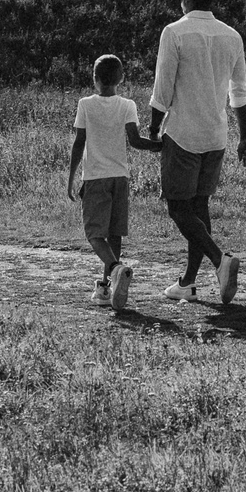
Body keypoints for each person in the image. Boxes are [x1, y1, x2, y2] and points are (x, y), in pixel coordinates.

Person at [145, 0, 246, 306]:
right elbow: (240, 93)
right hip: (216, 134)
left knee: (179, 208)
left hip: (183, 133)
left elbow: (163, 89)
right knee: (199, 206)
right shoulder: (232, 36)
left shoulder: (174, 32)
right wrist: (245, 137)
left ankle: (220, 260)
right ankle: (188, 282)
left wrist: (154, 128)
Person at [66, 52, 158, 309]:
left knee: (94, 234)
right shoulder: (127, 105)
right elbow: (136, 141)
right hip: (120, 177)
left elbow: (79, 143)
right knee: (114, 234)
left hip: (96, 178)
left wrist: (71, 177)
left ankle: (116, 270)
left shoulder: (85, 104)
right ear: (122, 78)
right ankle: (107, 287)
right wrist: (162, 145)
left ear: (94, 78)